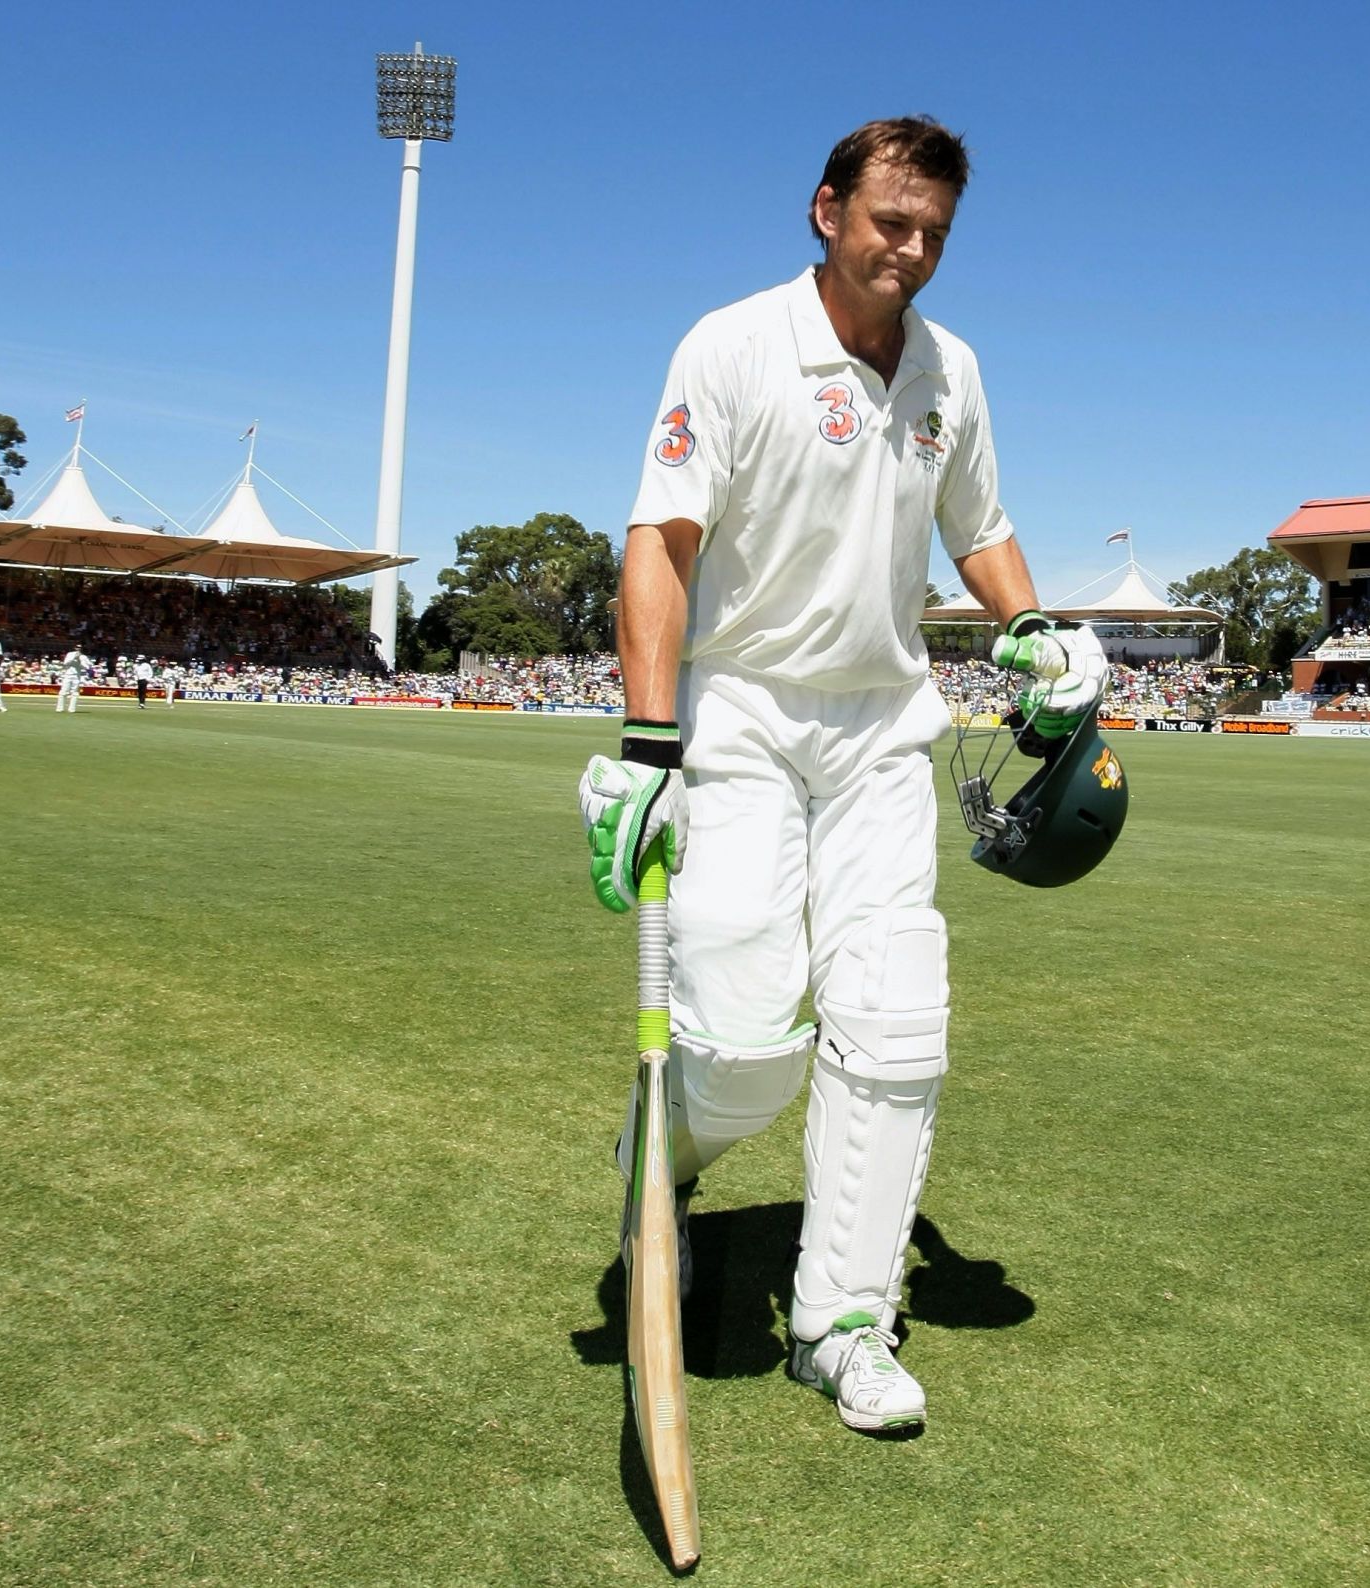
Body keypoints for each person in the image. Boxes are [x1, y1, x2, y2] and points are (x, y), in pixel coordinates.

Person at [577, 117, 1105, 1436]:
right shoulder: (735, 344)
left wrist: (1032, 634)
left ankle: (843, 1321)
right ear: (827, 211)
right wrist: (651, 747)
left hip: (883, 732)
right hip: (743, 717)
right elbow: (658, 546)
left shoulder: (950, 369)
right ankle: (666, 1168)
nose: (912, 252)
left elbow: (978, 527)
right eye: (891, 224)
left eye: (934, 232)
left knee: (898, 1025)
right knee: (747, 1042)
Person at [56, 646, 88, 713]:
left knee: (75, 693)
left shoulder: (84, 657)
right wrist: (74, 658)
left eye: (80, 647)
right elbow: (65, 663)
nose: (78, 649)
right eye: (77, 647)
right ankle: (59, 708)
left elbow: (86, 667)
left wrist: (79, 661)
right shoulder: (70, 654)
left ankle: (72, 709)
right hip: (68, 675)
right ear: (75, 648)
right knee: (63, 692)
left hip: (77, 676)